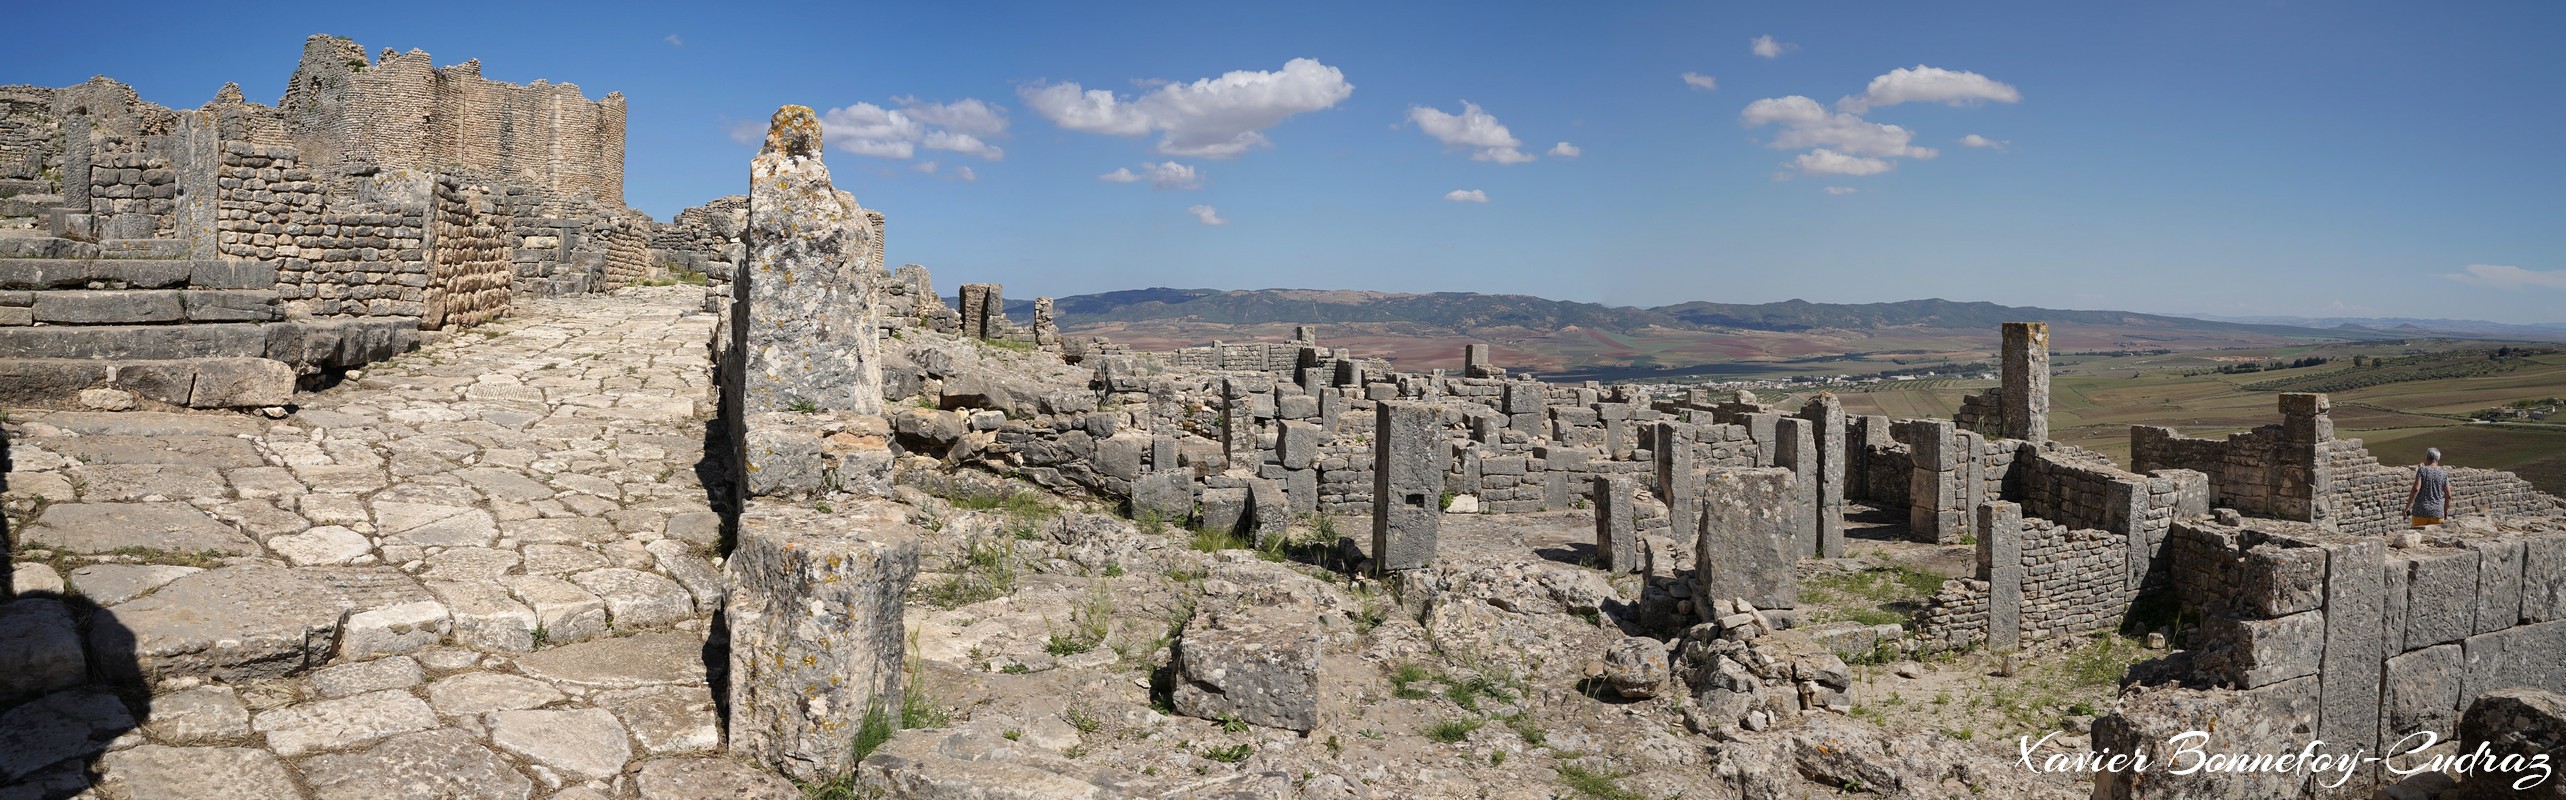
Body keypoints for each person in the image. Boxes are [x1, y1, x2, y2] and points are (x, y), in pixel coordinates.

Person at [2406, 448, 2455, 528]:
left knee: (2419, 534)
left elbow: (2416, 489)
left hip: (2420, 511)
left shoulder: (2422, 470)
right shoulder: (2443, 474)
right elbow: (2448, 495)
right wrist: (2445, 511)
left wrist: (2407, 507)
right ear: (2438, 459)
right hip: (2437, 513)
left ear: (2427, 458)